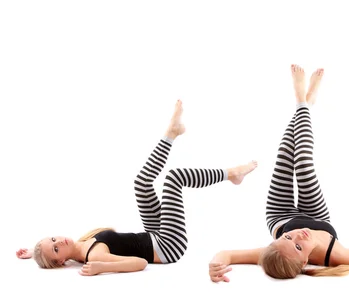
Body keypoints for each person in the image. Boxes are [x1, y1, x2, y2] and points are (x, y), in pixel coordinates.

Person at [15, 99, 258, 276]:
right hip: (168, 246)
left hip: (153, 235)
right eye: (56, 248)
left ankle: (171, 134)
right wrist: (100, 268)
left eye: (54, 238)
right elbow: (139, 264)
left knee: (141, 183)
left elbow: (48, 252)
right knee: (174, 178)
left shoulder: (81, 243)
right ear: (60, 262)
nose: (60, 241)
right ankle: (232, 174)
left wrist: (33, 252)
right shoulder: (93, 256)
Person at [208, 64, 349, 282]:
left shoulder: (273, 251)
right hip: (317, 215)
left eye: (287, 237)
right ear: (304, 261)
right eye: (297, 246)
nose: (297, 235)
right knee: (303, 158)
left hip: (279, 213)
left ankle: (305, 103)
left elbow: (226, 254)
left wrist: (215, 265)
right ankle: (303, 101)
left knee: (285, 149)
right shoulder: (336, 256)